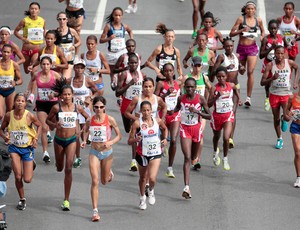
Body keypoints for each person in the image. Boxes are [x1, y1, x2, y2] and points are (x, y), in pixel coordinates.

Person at [46, 78, 89, 211]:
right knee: (60, 168)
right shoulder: (56, 107)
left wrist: (82, 130)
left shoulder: (77, 107)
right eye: (64, 94)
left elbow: (88, 118)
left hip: (71, 140)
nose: (67, 96)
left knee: (68, 168)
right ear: (61, 96)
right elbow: (48, 121)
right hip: (59, 140)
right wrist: (54, 124)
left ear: (73, 95)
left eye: (69, 94)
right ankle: (58, 162)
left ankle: (66, 200)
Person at [81, 96, 121, 221]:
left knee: (104, 181)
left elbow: (119, 135)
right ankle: (95, 211)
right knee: (95, 181)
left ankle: (109, 172)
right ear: (93, 107)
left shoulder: (110, 119)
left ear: (105, 107)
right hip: (94, 152)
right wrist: (84, 140)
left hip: (107, 153)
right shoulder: (90, 120)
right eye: (96, 107)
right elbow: (85, 131)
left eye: (101, 107)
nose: (98, 109)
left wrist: (111, 142)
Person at [0, 93, 42, 210]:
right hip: (14, 148)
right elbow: (1, 129)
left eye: (22, 101)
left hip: (27, 148)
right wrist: (5, 137)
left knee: (27, 179)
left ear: (25, 103)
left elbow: (40, 125)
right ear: (14, 102)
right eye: (18, 100)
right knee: (18, 176)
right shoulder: (9, 115)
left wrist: (36, 138)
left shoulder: (30, 116)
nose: (20, 103)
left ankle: (31, 163)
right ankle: (22, 199)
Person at [173, 77, 211, 199]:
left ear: (195, 88)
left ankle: (195, 158)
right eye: (187, 87)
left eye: (191, 87)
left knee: (194, 157)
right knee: (187, 157)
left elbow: (209, 115)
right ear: (184, 87)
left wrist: (197, 112)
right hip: (185, 129)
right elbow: (177, 108)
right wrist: (169, 113)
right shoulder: (181, 98)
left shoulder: (200, 99)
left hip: (196, 129)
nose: (189, 89)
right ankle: (186, 187)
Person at [128, 101, 168, 210]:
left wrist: (165, 139)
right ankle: (142, 198)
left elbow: (165, 129)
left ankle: (151, 191)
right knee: (143, 178)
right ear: (140, 111)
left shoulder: (157, 121)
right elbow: (129, 141)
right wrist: (136, 139)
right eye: (144, 110)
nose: (146, 112)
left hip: (155, 152)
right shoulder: (137, 123)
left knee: (152, 178)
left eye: (148, 110)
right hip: (142, 153)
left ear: (151, 111)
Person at [261, 45, 298, 149]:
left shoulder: (289, 63)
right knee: (276, 119)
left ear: (284, 54)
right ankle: (279, 138)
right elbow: (262, 82)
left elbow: (296, 67)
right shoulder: (270, 65)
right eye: (278, 53)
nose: (280, 55)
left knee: (287, 117)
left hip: (286, 93)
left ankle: (284, 118)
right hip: (274, 94)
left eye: (282, 53)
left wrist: (294, 81)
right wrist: (272, 78)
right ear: (275, 53)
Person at [125, 77, 166, 172]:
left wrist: (162, 118)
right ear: (142, 87)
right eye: (145, 86)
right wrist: (138, 120)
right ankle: (134, 159)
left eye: (150, 86)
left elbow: (164, 107)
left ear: (153, 87)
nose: (148, 89)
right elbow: (127, 113)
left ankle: (159, 150)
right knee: (136, 140)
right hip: (139, 126)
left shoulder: (157, 99)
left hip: (152, 124)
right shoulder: (137, 98)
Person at [229, 1, 265, 107]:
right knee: (240, 71)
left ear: (255, 10)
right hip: (241, 48)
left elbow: (263, 30)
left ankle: (248, 98)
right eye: (248, 9)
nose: (250, 11)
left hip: (252, 48)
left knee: (250, 71)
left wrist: (262, 36)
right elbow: (231, 33)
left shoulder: (258, 20)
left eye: (252, 9)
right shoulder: (241, 19)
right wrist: (241, 31)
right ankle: (235, 93)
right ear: (245, 9)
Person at [180, 56, 213, 169]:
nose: (197, 68)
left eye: (199, 66)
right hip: (187, 110)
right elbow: (179, 89)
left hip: (200, 110)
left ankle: (197, 159)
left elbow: (211, 88)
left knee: (200, 132)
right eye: (195, 65)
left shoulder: (204, 77)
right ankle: (193, 156)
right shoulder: (186, 77)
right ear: (192, 65)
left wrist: (208, 100)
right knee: (195, 133)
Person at [212, 37, 245, 149]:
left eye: (231, 46)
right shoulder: (221, 57)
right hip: (224, 88)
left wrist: (242, 68)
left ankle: (230, 138)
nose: (229, 48)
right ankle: (220, 131)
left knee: (233, 112)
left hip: (235, 87)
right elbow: (214, 71)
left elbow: (240, 71)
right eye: (227, 46)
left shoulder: (237, 56)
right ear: (224, 47)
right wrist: (225, 67)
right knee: (222, 112)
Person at [116, 53, 146, 171]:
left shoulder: (142, 75)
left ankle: (134, 160)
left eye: (135, 62)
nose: (133, 64)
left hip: (138, 104)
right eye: (131, 63)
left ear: (138, 63)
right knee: (128, 129)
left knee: (135, 130)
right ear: (128, 64)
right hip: (126, 103)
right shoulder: (124, 74)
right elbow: (117, 93)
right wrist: (129, 84)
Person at [208, 66, 240, 171]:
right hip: (217, 116)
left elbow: (236, 92)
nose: (221, 78)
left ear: (226, 76)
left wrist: (236, 104)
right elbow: (208, 104)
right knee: (216, 136)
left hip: (227, 116)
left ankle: (225, 159)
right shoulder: (213, 88)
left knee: (226, 138)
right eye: (219, 77)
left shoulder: (231, 85)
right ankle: (214, 152)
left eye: (223, 76)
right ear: (216, 77)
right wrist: (216, 96)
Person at [30, 56, 61, 163]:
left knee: (53, 127)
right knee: (44, 128)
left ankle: (59, 147)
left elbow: (63, 88)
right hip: (41, 104)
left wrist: (55, 94)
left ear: (51, 65)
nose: (45, 66)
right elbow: (32, 81)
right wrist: (29, 92)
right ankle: (45, 153)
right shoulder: (36, 74)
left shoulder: (55, 75)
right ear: (40, 65)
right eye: (43, 64)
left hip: (54, 105)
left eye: (48, 64)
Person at [14, 2, 46, 103]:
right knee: (27, 71)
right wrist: (23, 38)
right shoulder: (25, 21)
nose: (34, 11)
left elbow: (44, 33)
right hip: (25, 50)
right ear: (29, 9)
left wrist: (46, 42)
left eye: (36, 9)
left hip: (37, 50)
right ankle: (31, 91)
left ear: (39, 11)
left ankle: (32, 94)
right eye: (32, 9)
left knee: (34, 72)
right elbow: (15, 31)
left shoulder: (42, 21)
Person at [70, 58, 99, 168]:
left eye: (81, 68)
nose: (79, 70)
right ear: (74, 68)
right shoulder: (70, 80)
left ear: (84, 69)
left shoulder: (87, 80)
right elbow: (63, 91)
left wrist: (90, 98)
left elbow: (97, 91)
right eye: (77, 67)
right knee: (77, 134)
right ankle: (78, 157)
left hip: (85, 110)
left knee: (84, 131)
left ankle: (87, 141)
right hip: (73, 110)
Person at [154, 64, 180, 177]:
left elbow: (180, 97)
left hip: (174, 115)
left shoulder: (178, 84)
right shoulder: (160, 84)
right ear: (163, 73)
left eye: (171, 71)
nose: (169, 73)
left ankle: (170, 168)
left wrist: (178, 108)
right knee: (163, 139)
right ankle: (163, 144)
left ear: (174, 72)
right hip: (162, 114)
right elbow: (154, 99)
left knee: (173, 140)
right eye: (166, 71)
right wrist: (166, 94)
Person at [99, 7, 133, 90]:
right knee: (113, 70)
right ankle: (113, 81)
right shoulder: (108, 26)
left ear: (122, 16)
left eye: (119, 15)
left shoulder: (124, 26)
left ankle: (122, 83)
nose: (117, 17)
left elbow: (130, 31)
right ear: (113, 16)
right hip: (112, 53)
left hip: (122, 51)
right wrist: (109, 38)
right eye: (115, 15)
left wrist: (131, 39)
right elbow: (101, 40)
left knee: (123, 68)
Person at [259, 19, 285, 111]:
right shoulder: (266, 39)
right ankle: (267, 97)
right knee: (267, 82)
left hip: (279, 63)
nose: (273, 30)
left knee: (279, 81)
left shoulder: (281, 37)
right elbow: (261, 55)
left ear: (277, 28)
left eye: (275, 28)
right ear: (268, 29)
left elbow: (285, 49)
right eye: (271, 28)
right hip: (268, 63)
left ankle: (278, 99)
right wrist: (271, 48)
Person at [284, 80, 300, 188]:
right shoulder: (292, 98)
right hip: (295, 127)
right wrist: (288, 115)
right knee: (298, 152)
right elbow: (286, 114)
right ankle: (299, 177)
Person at [0, 44, 23, 122]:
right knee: (0, 114)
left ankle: (4, 127)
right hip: (0, 90)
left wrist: (15, 83)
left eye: (8, 52)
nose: (6, 54)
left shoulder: (14, 64)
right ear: (1, 52)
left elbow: (20, 80)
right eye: (4, 52)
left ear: (11, 53)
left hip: (10, 91)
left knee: (9, 112)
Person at [55, 11, 81, 80]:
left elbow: (79, 41)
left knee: (66, 80)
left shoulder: (71, 31)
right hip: (59, 61)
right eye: (60, 19)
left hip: (69, 60)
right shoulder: (55, 32)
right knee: (58, 81)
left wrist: (74, 46)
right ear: (57, 20)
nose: (62, 21)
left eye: (64, 19)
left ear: (67, 20)